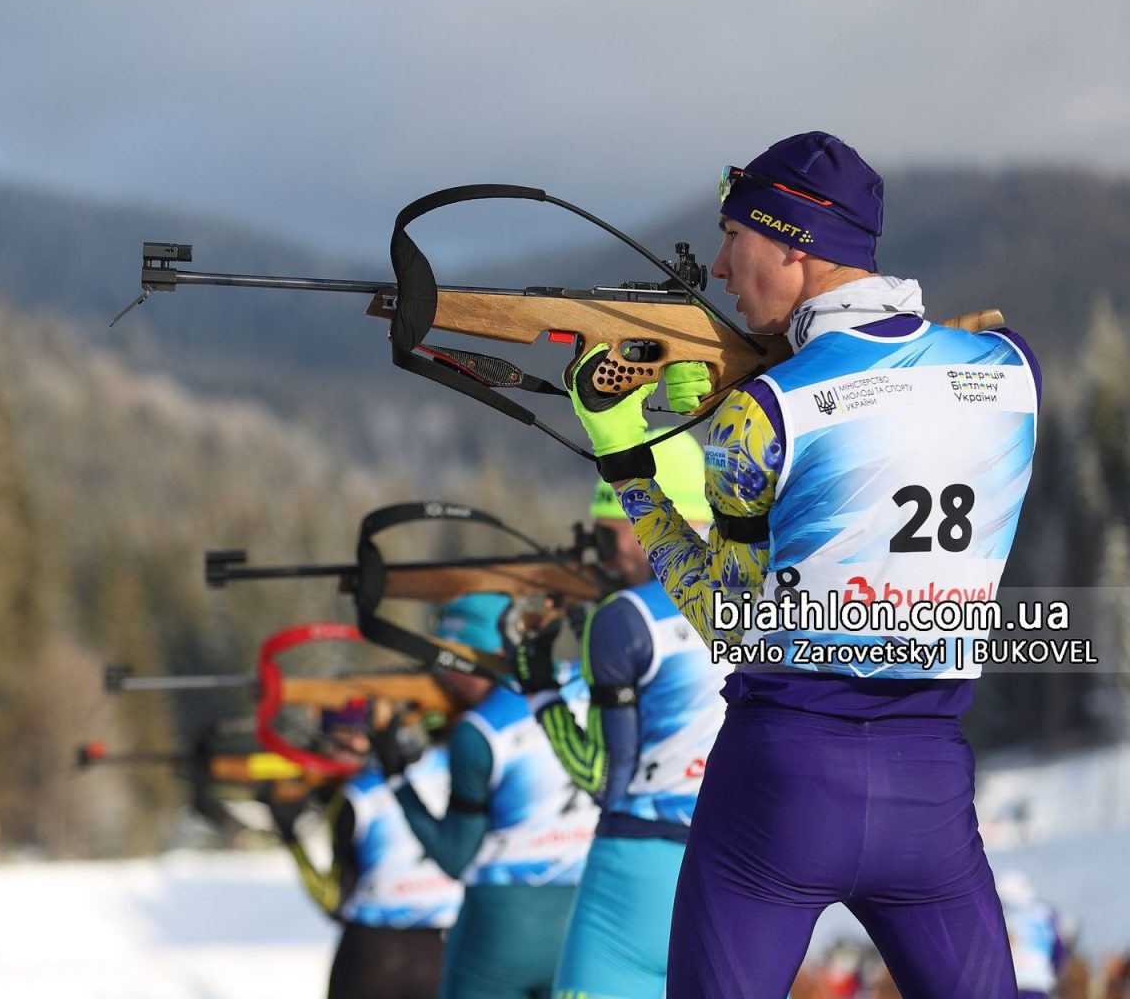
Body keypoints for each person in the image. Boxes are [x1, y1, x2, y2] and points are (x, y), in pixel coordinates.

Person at [565, 130, 1041, 997]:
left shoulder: (765, 412)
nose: (718, 267)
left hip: (781, 782)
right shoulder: (1013, 371)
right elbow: (901, 369)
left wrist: (627, 465)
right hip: (932, 791)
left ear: (793, 243)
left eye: (733, 237)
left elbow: (728, 620)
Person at [511, 436, 726, 999]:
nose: (603, 559)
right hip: (741, 869)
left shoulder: (626, 616)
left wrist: (538, 687)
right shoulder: (767, 590)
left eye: (607, 537)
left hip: (635, 871)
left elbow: (604, 779)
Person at [378, 593, 597, 999]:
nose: (448, 677)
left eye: (455, 661)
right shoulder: (589, 681)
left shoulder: (480, 729)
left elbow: (454, 856)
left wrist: (396, 778)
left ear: (493, 654)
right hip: (588, 917)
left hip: (501, 924)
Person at [265, 701, 463, 999]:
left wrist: (291, 837)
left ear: (364, 738)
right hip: (442, 950)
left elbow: (333, 900)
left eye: (338, 741)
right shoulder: (452, 764)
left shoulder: (356, 796)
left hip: (370, 952)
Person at [996, 870, 1069, 999]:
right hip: (1039, 984)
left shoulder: (1000, 914)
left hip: (1009, 985)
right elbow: (1059, 951)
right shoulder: (1046, 913)